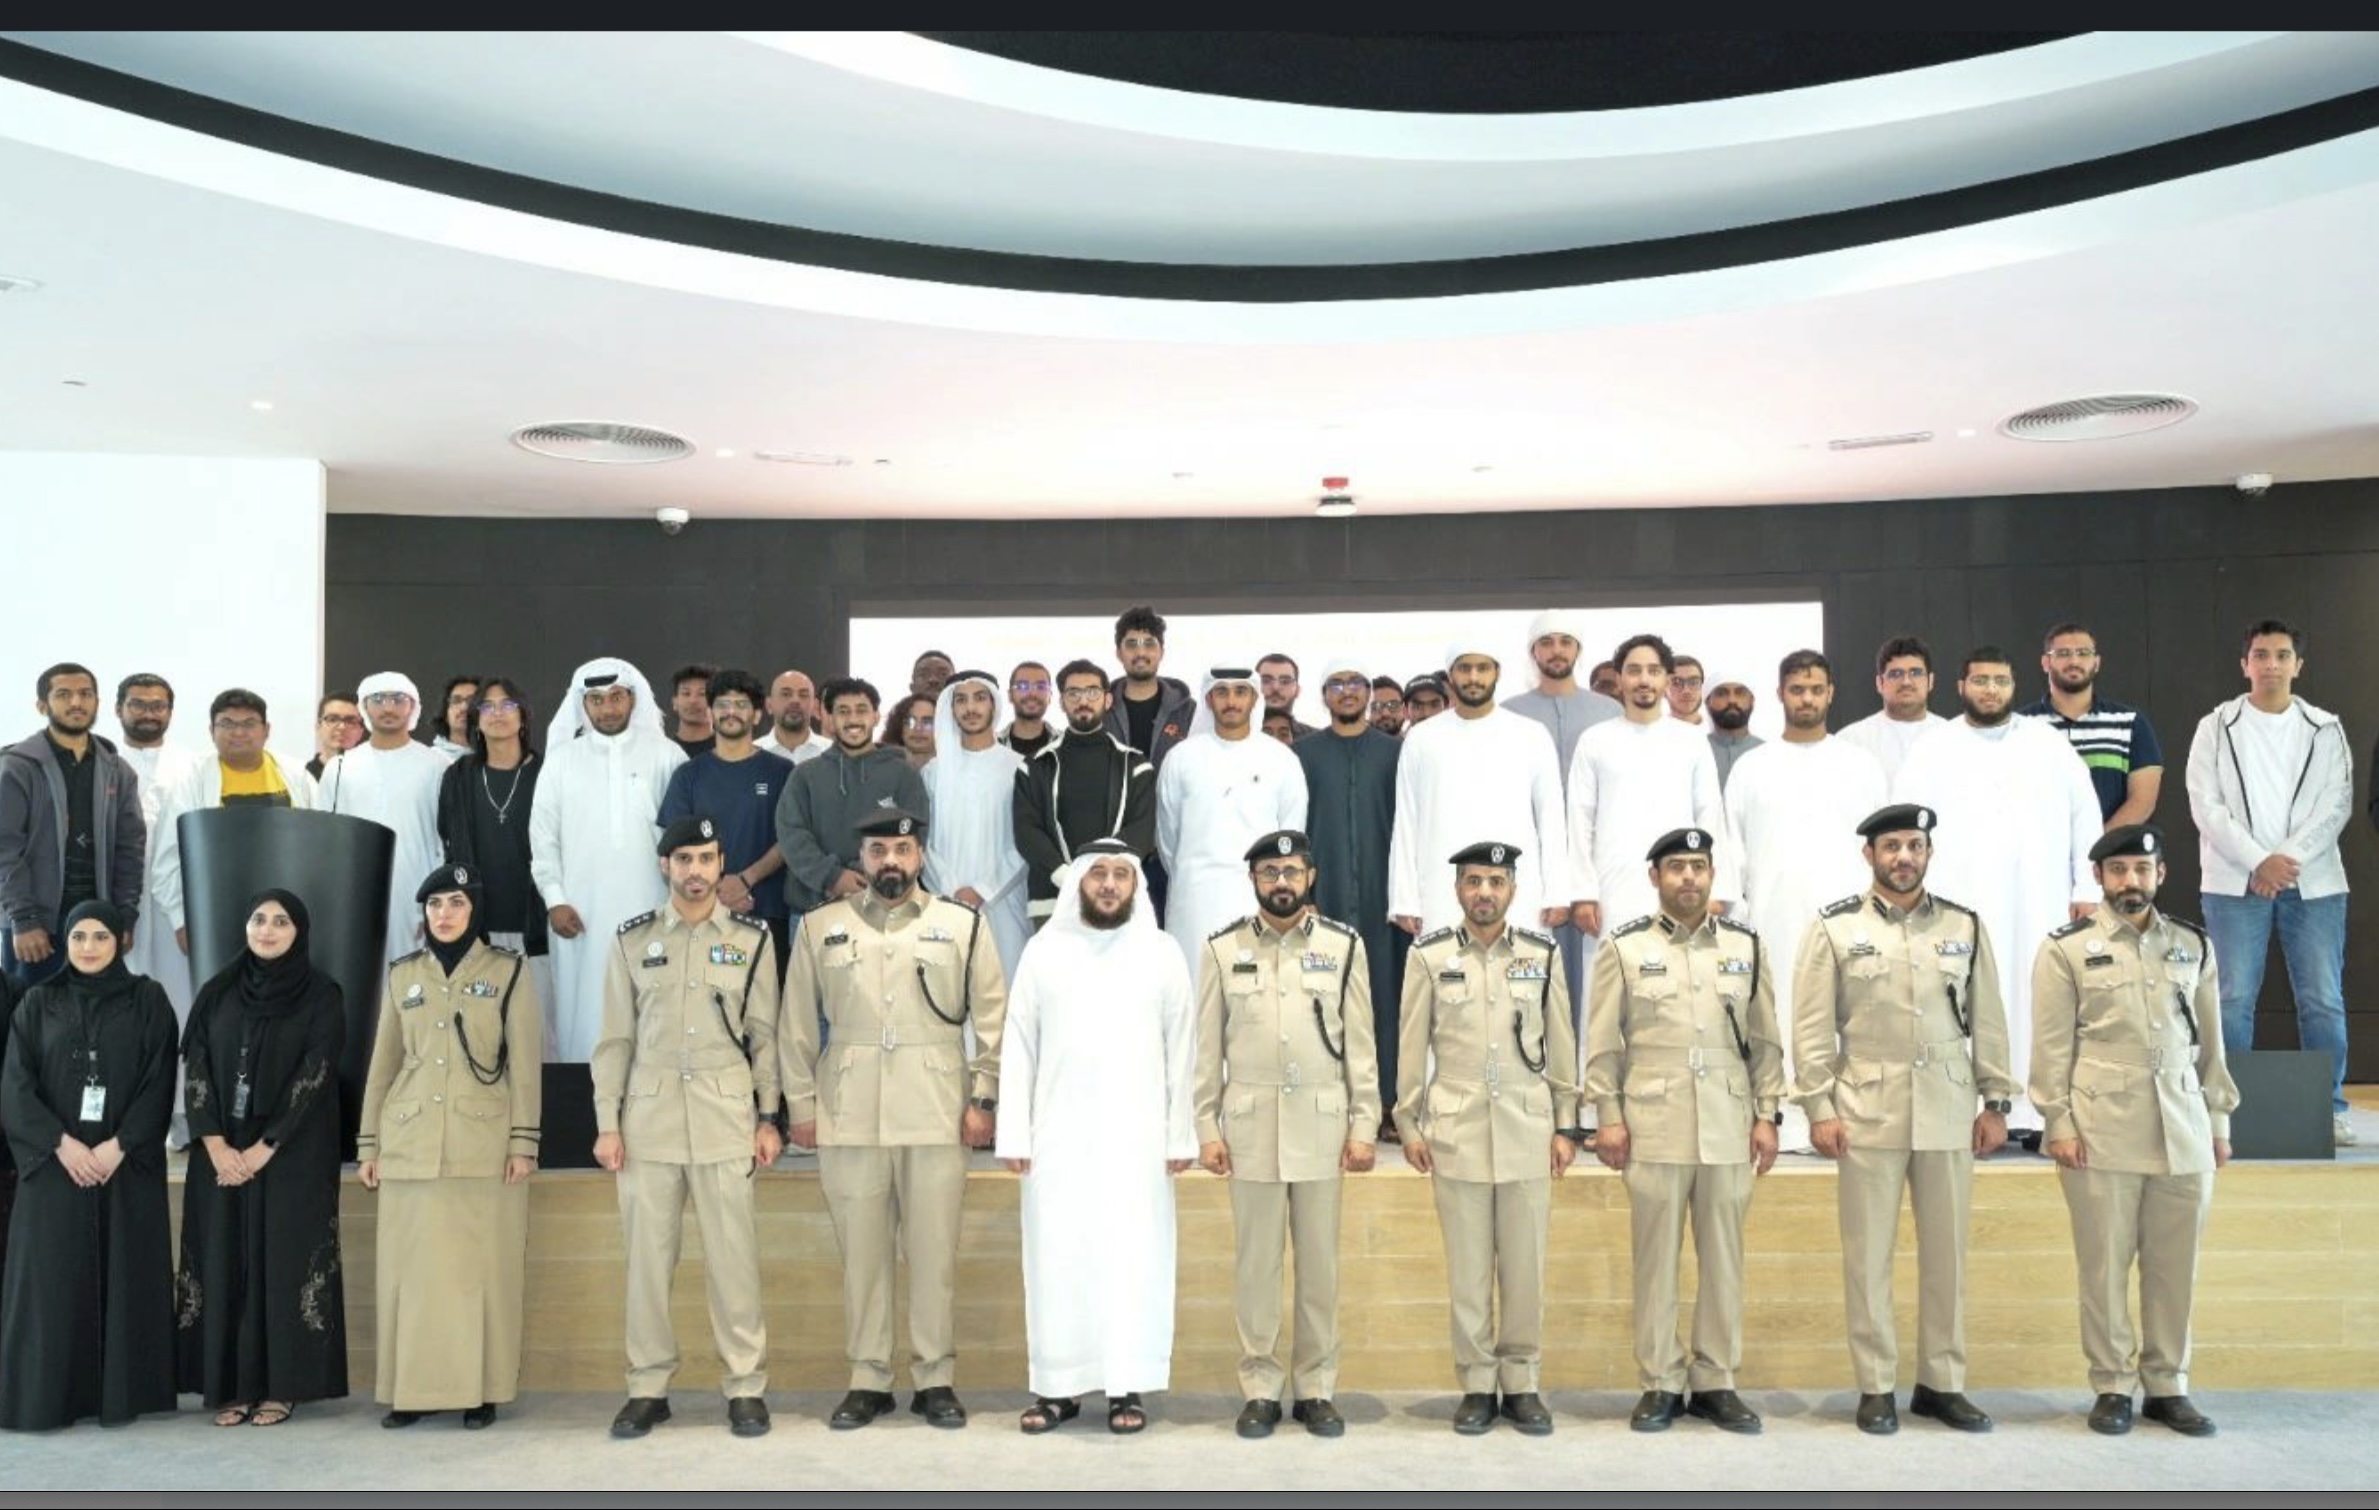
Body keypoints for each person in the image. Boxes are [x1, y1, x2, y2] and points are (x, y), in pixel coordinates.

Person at [1794, 804, 2016, 1435]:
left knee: (1947, 1255)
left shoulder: (1963, 925)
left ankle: (1942, 1382)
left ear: (1929, 853)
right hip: (1866, 1107)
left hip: (1947, 1106)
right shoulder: (1835, 928)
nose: (1903, 857)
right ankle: (1876, 1384)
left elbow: (1988, 1017)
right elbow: (1811, 1028)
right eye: (1891, 846)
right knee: (1868, 1255)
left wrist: (1996, 1101)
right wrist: (1818, 1105)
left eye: (1914, 845)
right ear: (1869, 855)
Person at [781, 809, 1006, 1431]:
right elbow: (796, 1023)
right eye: (878, 849)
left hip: (936, 1111)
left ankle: (935, 1377)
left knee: (934, 1253)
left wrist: (984, 1097)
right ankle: (868, 1377)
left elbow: (993, 1017)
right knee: (863, 1254)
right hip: (849, 1112)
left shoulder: (961, 925)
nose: (890, 862)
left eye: (902, 849)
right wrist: (801, 1106)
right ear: (862, 857)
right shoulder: (821, 926)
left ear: (921, 857)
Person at [2029, 823, 2237, 1439]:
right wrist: (2058, 1122)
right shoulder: (2066, 948)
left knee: (2176, 1266)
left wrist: (2219, 1120)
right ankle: (2112, 1384)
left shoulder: (2192, 944)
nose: (2131, 882)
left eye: (2142, 871)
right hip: (2101, 1126)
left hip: (2183, 1123)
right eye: (2118, 871)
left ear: (2161, 875)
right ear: (2098, 877)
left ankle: (2168, 1384)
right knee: (2104, 1264)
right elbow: (2049, 1049)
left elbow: (2210, 1042)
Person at [1585, 829, 1783, 1435]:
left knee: (1724, 1258)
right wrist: (1609, 1118)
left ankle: (1716, 1379)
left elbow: (1766, 1039)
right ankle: (1662, 1380)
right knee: (1655, 1262)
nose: (1689, 878)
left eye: (1698, 866)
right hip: (1654, 1123)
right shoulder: (1622, 947)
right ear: (1655, 878)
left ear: (1712, 874)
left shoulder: (1746, 946)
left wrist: (1767, 1114)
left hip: (1727, 1123)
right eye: (1676, 868)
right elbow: (1601, 1044)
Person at [594, 816, 783, 1440]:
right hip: (647, 1123)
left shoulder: (754, 940)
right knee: (647, 1263)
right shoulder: (632, 941)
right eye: (684, 859)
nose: (695, 871)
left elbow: (765, 1037)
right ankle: (647, 1386)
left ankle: (745, 1386)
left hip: (725, 1116)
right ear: (665, 866)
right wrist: (606, 1123)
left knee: (734, 1263)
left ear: (721, 862)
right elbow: (615, 1040)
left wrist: (767, 1116)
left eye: (706, 858)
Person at [997, 842, 1195, 1436]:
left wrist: (1179, 1133)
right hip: (1058, 1138)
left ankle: (1124, 1385)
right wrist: (1014, 1131)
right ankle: (1057, 1390)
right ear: (1078, 883)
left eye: (1121, 876)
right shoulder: (1043, 952)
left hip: (1138, 1141)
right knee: (1058, 1259)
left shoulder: (1161, 953)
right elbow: (1019, 1045)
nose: (1109, 886)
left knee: (1132, 1260)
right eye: (1099, 875)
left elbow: (1183, 1050)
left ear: (1137, 886)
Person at [1194, 831, 1378, 1440]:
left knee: (1320, 1267)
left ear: (1311, 877)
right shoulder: (1223, 949)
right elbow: (1205, 1048)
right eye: (1269, 871)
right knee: (1256, 1268)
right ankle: (1260, 1387)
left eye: (1291, 871)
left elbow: (1361, 1045)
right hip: (1249, 1128)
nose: (1281, 882)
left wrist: (1364, 1124)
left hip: (1323, 1125)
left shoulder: (1343, 946)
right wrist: (1205, 1125)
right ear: (1252, 880)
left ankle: (1318, 1387)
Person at [1397, 841, 1581, 1436]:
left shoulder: (1541, 953)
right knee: (1469, 1271)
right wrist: (1408, 1121)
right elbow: (1410, 1045)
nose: (1484, 892)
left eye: (1495, 882)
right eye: (1474, 881)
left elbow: (1560, 1044)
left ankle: (1522, 1380)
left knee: (1525, 1267)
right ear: (1457, 890)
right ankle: (1477, 1383)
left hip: (1527, 1127)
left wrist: (1564, 1123)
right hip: (1456, 1126)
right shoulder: (1428, 956)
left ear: (1512, 890)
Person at [355, 865, 541, 1430]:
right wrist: (370, 1143)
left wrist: (523, 1141)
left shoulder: (508, 972)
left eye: (456, 903)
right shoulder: (402, 975)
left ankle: (480, 1391)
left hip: (481, 1143)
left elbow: (526, 1062)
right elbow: (383, 1063)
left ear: (474, 909)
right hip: (410, 1143)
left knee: (480, 1275)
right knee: (409, 1277)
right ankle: (410, 1392)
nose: (444, 914)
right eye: (435, 904)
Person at [1894, 646, 2098, 1136]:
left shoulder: (2049, 743)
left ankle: (2035, 1113)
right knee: (1958, 999)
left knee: (2037, 1001)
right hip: (1955, 905)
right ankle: (1963, 1112)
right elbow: (1904, 826)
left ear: (2014, 686)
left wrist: (2087, 886)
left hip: (2038, 901)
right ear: (1961, 687)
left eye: (2000, 681)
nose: (1990, 690)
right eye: (1980, 681)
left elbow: (2085, 816)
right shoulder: (1932, 748)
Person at [0, 899, 178, 1431]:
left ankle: (124, 1394)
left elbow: (159, 1079)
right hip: (55, 1167)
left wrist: (118, 1147)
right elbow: (14, 1086)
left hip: (122, 1165)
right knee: (52, 1283)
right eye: (79, 937)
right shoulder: (37, 1002)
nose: (89, 947)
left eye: (100, 936)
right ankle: (53, 1396)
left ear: (120, 940)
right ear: (66, 941)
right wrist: (62, 1144)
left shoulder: (149, 1000)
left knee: (124, 1273)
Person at [176, 889, 348, 1428]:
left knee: (284, 1263)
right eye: (257, 919)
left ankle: (283, 1386)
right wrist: (216, 1145)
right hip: (221, 1153)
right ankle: (230, 1386)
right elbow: (196, 1068)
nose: (267, 930)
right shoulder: (218, 991)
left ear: (300, 932)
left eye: (280, 921)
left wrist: (263, 1148)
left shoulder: (322, 994)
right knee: (225, 1259)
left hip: (292, 1153)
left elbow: (315, 1074)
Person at [2186, 618, 2354, 1146]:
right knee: (2232, 998)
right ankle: (2227, 1111)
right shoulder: (2215, 726)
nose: (2271, 665)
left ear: (2298, 666)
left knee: (2323, 998)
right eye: (2261, 655)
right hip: (2235, 881)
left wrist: (2286, 860)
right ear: (2245, 664)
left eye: (2282, 655)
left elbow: (2337, 804)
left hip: (2314, 882)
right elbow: (2205, 805)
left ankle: (2330, 1108)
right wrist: (2260, 861)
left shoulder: (2326, 728)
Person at [1722, 651, 1888, 1151]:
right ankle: (1781, 1119)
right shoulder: (1753, 767)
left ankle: (1849, 1117)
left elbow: (1881, 846)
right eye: (1797, 689)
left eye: (1816, 689)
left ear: (1831, 693)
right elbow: (1733, 849)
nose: (1808, 698)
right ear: (1780, 695)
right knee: (1780, 1016)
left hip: (1850, 918)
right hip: (1774, 914)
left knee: (1852, 1014)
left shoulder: (1861, 765)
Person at [528, 658, 685, 1061]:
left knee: (653, 1015)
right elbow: (543, 838)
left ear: (632, 699)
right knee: (585, 1017)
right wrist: (554, 900)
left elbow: (682, 841)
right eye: (596, 700)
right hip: (579, 914)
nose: (608, 708)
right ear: (583, 705)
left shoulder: (667, 756)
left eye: (616, 697)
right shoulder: (561, 761)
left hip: (653, 910)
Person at [1567, 634, 1732, 1004]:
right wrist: (1583, 894)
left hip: (1680, 884)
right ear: (1621, 678)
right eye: (1634, 671)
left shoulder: (1690, 740)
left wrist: (1714, 889)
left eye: (1654, 671)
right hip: (1611, 887)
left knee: (1681, 990)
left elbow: (1709, 814)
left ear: (1667, 679)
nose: (1644, 679)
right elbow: (1579, 820)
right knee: (1608, 994)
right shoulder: (1595, 740)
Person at [1387, 642, 1570, 938]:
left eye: (1482, 668)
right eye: (1465, 668)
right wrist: (1404, 899)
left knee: (1520, 979)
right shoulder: (1422, 738)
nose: (1474, 678)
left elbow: (1551, 818)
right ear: (1451, 676)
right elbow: (1407, 821)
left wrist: (1557, 892)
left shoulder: (1531, 734)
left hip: (1518, 891)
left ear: (1497, 672)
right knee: (1446, 977)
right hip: (1440, 890)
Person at [1295, 657, 1404, 1141]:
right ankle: (1329, 1103)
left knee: (1385, 999)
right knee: (1323, 1000)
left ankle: (1385, 1103)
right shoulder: (1302, 755)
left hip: (1385, 897)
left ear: (1369, 692)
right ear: (1323, 695)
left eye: (1355, 684)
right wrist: (1307, 895)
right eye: (1336, 684)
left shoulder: (1396, 753)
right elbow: (1294, 828)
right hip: (1326, 897)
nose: (1346, 692)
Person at [2, 663, 146, 991]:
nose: (76, 703)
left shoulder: (117, 770)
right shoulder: (17, 768)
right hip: (36, 925)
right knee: (27, 1019)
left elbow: (130, 849)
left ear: (97, 702)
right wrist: (23, 920)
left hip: (96, 921)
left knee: (95, 1020)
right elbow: (4, 849)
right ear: (42, 705)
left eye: (85, 694)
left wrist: (124, 918)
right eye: (63, 695)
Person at [1156, 669, 1309, 971]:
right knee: (1197, 991)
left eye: (1240, 691)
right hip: (1195, 899)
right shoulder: (1181, 758)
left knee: (1257, 998)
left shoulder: (1281, 759)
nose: (1231, 701)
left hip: (1258, 898)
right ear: (1209, 699)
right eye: (1222, 692)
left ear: (1254, 698)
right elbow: (1167, 840)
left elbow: (1291, 836)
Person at [151, 690, 321, 962]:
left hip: (286, 916)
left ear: (266, 730)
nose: (238, 732)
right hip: (218, 915)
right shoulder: (191, 779)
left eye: (249, 723)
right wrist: (181, 920)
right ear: (211, 731)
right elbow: (168, 857)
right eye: (227, 724)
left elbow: (319, 843)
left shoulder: (295, 775)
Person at [658, 670, 795, 970]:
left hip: (768, 911)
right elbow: (676, 846)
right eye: (722, 704)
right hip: (704, 915)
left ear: (758, 715)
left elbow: (792, 839)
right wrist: (716, 890)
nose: (731, 712)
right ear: (710, 712)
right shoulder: (688, 775)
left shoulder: (783, 772)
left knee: (767, 1010)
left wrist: (746, 880)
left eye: (741, 704)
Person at [323, 672, 455, 964]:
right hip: (355, 891)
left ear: (413, 707)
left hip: (419, 890)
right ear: (365, 708)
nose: (388, 707)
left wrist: (438, 898)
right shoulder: (341, 767)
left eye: (398, 699)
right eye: (378, 699)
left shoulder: (437, 765)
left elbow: (447, 838)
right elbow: (325, 840)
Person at [1012, 660, 1156, 929]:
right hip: (1052, 901)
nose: (1083, 701)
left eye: (1092, 692)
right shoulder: (1034, 766)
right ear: (1062, 702)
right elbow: (1026, 831)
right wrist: (1069, 878)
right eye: (1073, 693)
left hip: (1117, 898)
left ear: (1108, 699)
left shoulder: (1136, 764)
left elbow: (1143, 830)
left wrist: (1104, 879)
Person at [775, 678, 931, 916]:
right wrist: (833, 877)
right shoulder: (805, 775)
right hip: (812, 909)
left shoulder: (904, 774)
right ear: (829, 718)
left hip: (884, 905)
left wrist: (865, 876)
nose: (853, 719)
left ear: (876, 716)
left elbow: (915, 834)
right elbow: (792, 834)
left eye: (861, 710)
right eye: (843, 711)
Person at [435, 676, 548, 998]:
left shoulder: (548, 772)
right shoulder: (458, 777)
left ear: (523, 716)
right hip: (478, 925)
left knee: (538, 1033)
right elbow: (447, 841)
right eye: (487, 706)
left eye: (508, 705)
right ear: (476, 719)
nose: (498, 713)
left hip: (538, 925)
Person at [920, 671, 1030, 977]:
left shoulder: (1019, 767)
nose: (971, 708)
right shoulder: (933, 772)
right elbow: (922, 843)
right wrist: (951, 890)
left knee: (1004, 997)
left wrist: (982, 890)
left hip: (1004, 904)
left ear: (994, 705)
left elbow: (1027, 840)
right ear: (951, 709)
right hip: (944, 902)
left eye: (980, 698)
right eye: (961, 700)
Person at [2017, 624, 2164, 828]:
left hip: (2108, 855)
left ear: (2096, 662)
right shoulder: (2019, 726)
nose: (2074, 661)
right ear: (2046, 662)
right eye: (2063, 653)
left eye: (2083, 653)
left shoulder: (2130, 722)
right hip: (2040, 855)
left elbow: (2143, 801)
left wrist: (2098, 847)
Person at [113, 675, 201, 1013]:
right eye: (138, 704)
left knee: (178, 996)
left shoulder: (192, 766)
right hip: (118, 897)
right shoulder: (103, 761)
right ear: (118, 708)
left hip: (175, 902)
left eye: (158, 706)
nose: (148, 713)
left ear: (170, 712)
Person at [1838, 636, 1949, 783]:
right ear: (1880, 683)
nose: (1906, 682)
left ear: (1930, 681)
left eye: (1915, 673)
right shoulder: (1851, 741)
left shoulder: (1952, 738)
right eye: (1895, 674)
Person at [1105, 607, 1197, 773]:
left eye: (1149, 644)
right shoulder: (1102, 710)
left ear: (1161, 652)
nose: (1140, 652)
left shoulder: (1188, 712)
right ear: (1119, 653)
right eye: (1131, 644)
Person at [756, 670, 831, 764]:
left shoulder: (832, 754)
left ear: (815, 706)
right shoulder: (752, 754)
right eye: (786, 694)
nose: (795, 701)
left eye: (803, 695)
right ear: (769, 705)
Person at [1704, 681, 1763, 790]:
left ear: (1752, 701)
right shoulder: (1693, 751)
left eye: (1740, 693)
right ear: (1708, 703)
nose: (1732, 700)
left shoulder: (1769, 753)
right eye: (1721, 694)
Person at [1001, 662, 1058, 760]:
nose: (1032, 694)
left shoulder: (1066, 745)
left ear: (1050, 697)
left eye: (1041, 687)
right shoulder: (991, 746)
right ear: (1010, 695)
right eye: (1022, 686)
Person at [305, 693, 364, 782]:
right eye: (332, 719)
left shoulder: (373, 779)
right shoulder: (303, 777)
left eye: (350, 721)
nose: (342, 727)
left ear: (360, 732)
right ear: (318, 727)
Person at [1257, 654, 1317, 740]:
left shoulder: (1317, 741)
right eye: (1266, 681)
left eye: (1285, 681)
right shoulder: (1233, 739)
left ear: (1297, 690)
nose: (1275, 687)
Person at [668, 664, 718, 758]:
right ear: (674, 702)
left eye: (702, 694)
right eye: (686, 693)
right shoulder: (663, 751)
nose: (693, 701)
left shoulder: (728, 751)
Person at [430, 675, 479, 760]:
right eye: (456, 700)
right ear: (445, 713)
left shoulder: (496, 759)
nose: (464, 707)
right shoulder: (431, 759)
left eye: (472, 701)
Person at [884, 693, 937, 771]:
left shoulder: (953, 766)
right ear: (899, 725)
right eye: (910, 722)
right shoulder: (881, 765)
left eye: (927, 722)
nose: (918, 728)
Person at [1666, 655, 1707, 727]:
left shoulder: (1717, 730)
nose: (1686, 691)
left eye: (1694, 682)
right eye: (1676, 683)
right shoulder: (1652, 734)